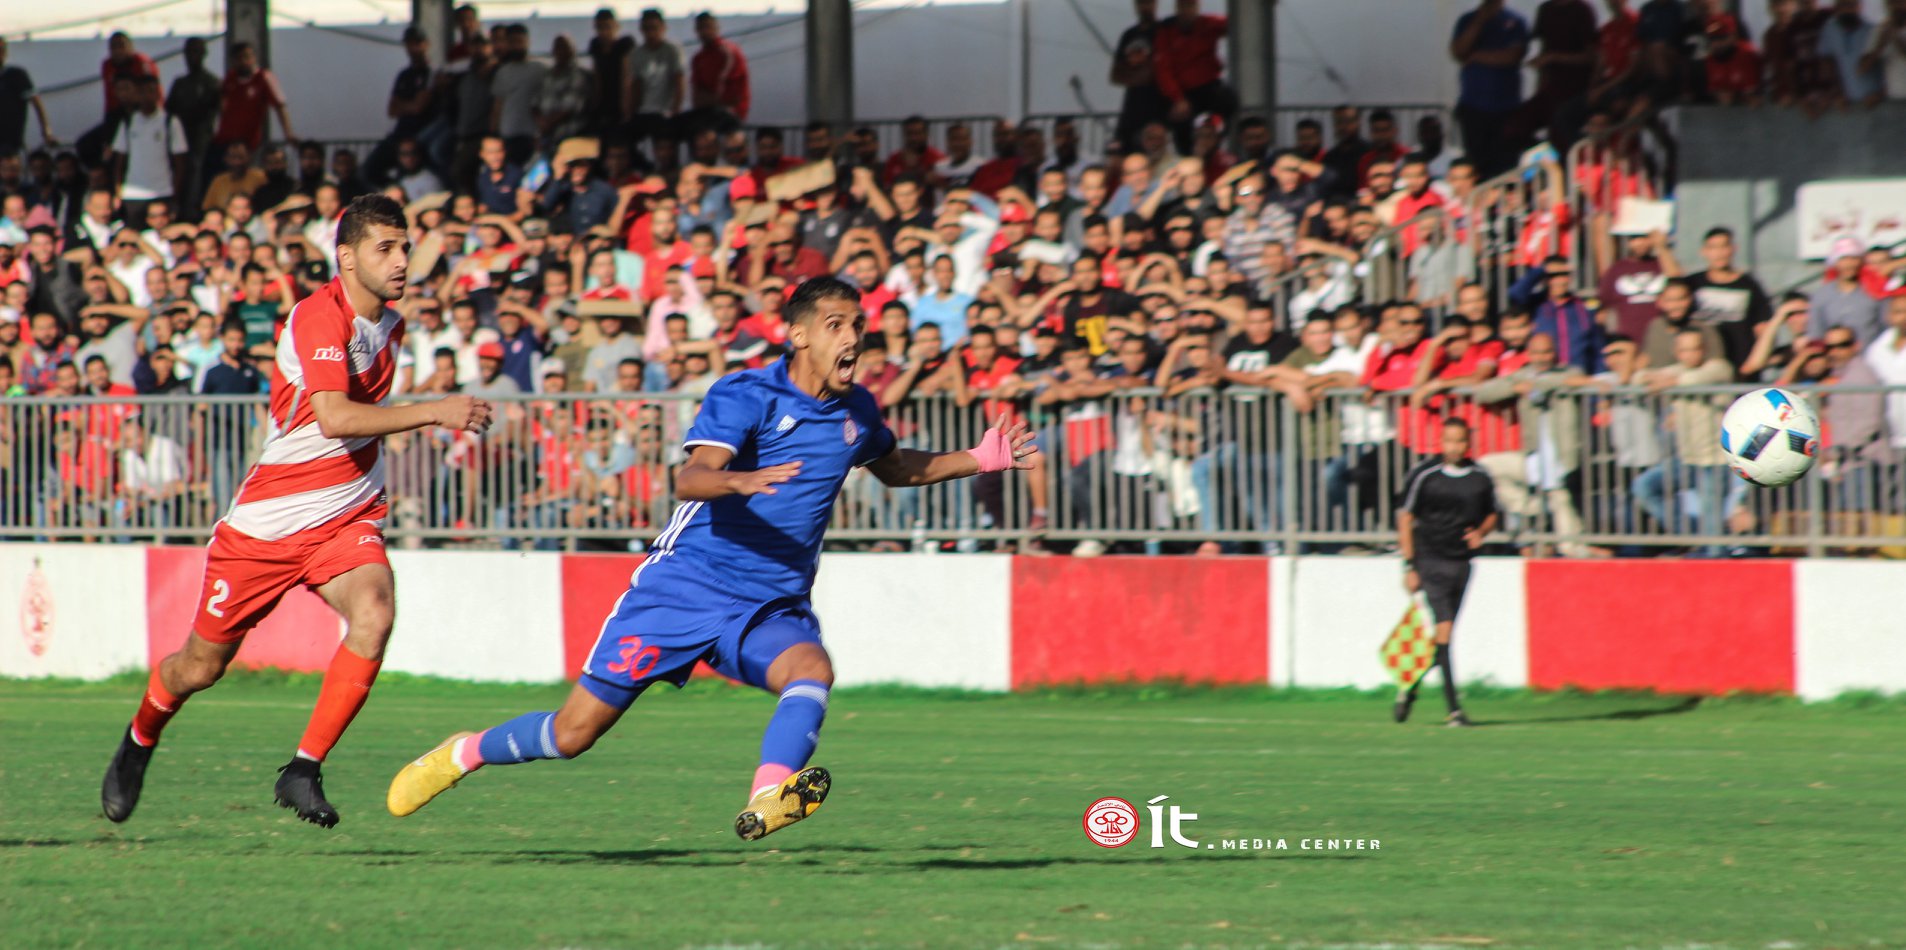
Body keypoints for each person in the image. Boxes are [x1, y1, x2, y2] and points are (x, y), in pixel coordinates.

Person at [386, 277, 1039, 842]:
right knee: (573, 734)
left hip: (768, 603)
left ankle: (768, 797)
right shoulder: (746, 395)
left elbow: (896, 468)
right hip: (681, 589)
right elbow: (690, 480)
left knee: (812, 670)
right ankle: (463, 752)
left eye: (859, 325)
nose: (854, 338)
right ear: (799, 335)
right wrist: (739, 482)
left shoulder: (857, 409)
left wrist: (982, 459)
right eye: (836, 325)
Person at [99, 195, 495, 828]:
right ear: (346, 256)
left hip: (346, 516)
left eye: (404, 247)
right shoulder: (318, 316)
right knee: (200, 667)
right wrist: (435, 409)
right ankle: (141, 736)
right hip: (269, 524)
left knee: (374, 613)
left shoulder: (390, 324)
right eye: (383, 248)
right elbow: (335, 417)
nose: (400, 261)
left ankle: (303, 769)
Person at [1395, 417, 1499, 728]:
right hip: (1430, 560)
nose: (1454, 447)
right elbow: (1405, 517)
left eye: (1460, 441)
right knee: (1444, 632)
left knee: (1443, 636)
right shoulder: (1425, 475)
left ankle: (1410, 688)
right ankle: (1454, 711)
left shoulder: (1480, 477)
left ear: (1469, 443)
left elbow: (1492, 514)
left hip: (1461, 562)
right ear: (1441, 442)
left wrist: (1481, 531)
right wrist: (1409, 565)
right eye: (1448, 440)